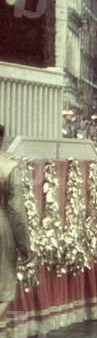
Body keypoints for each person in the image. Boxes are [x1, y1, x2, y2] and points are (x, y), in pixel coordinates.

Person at [0, 124, 32, 319]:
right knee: (4, 290)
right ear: (2, 139)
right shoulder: (9, 167)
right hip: (2, 229)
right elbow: (17, 211)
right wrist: (24, 246)